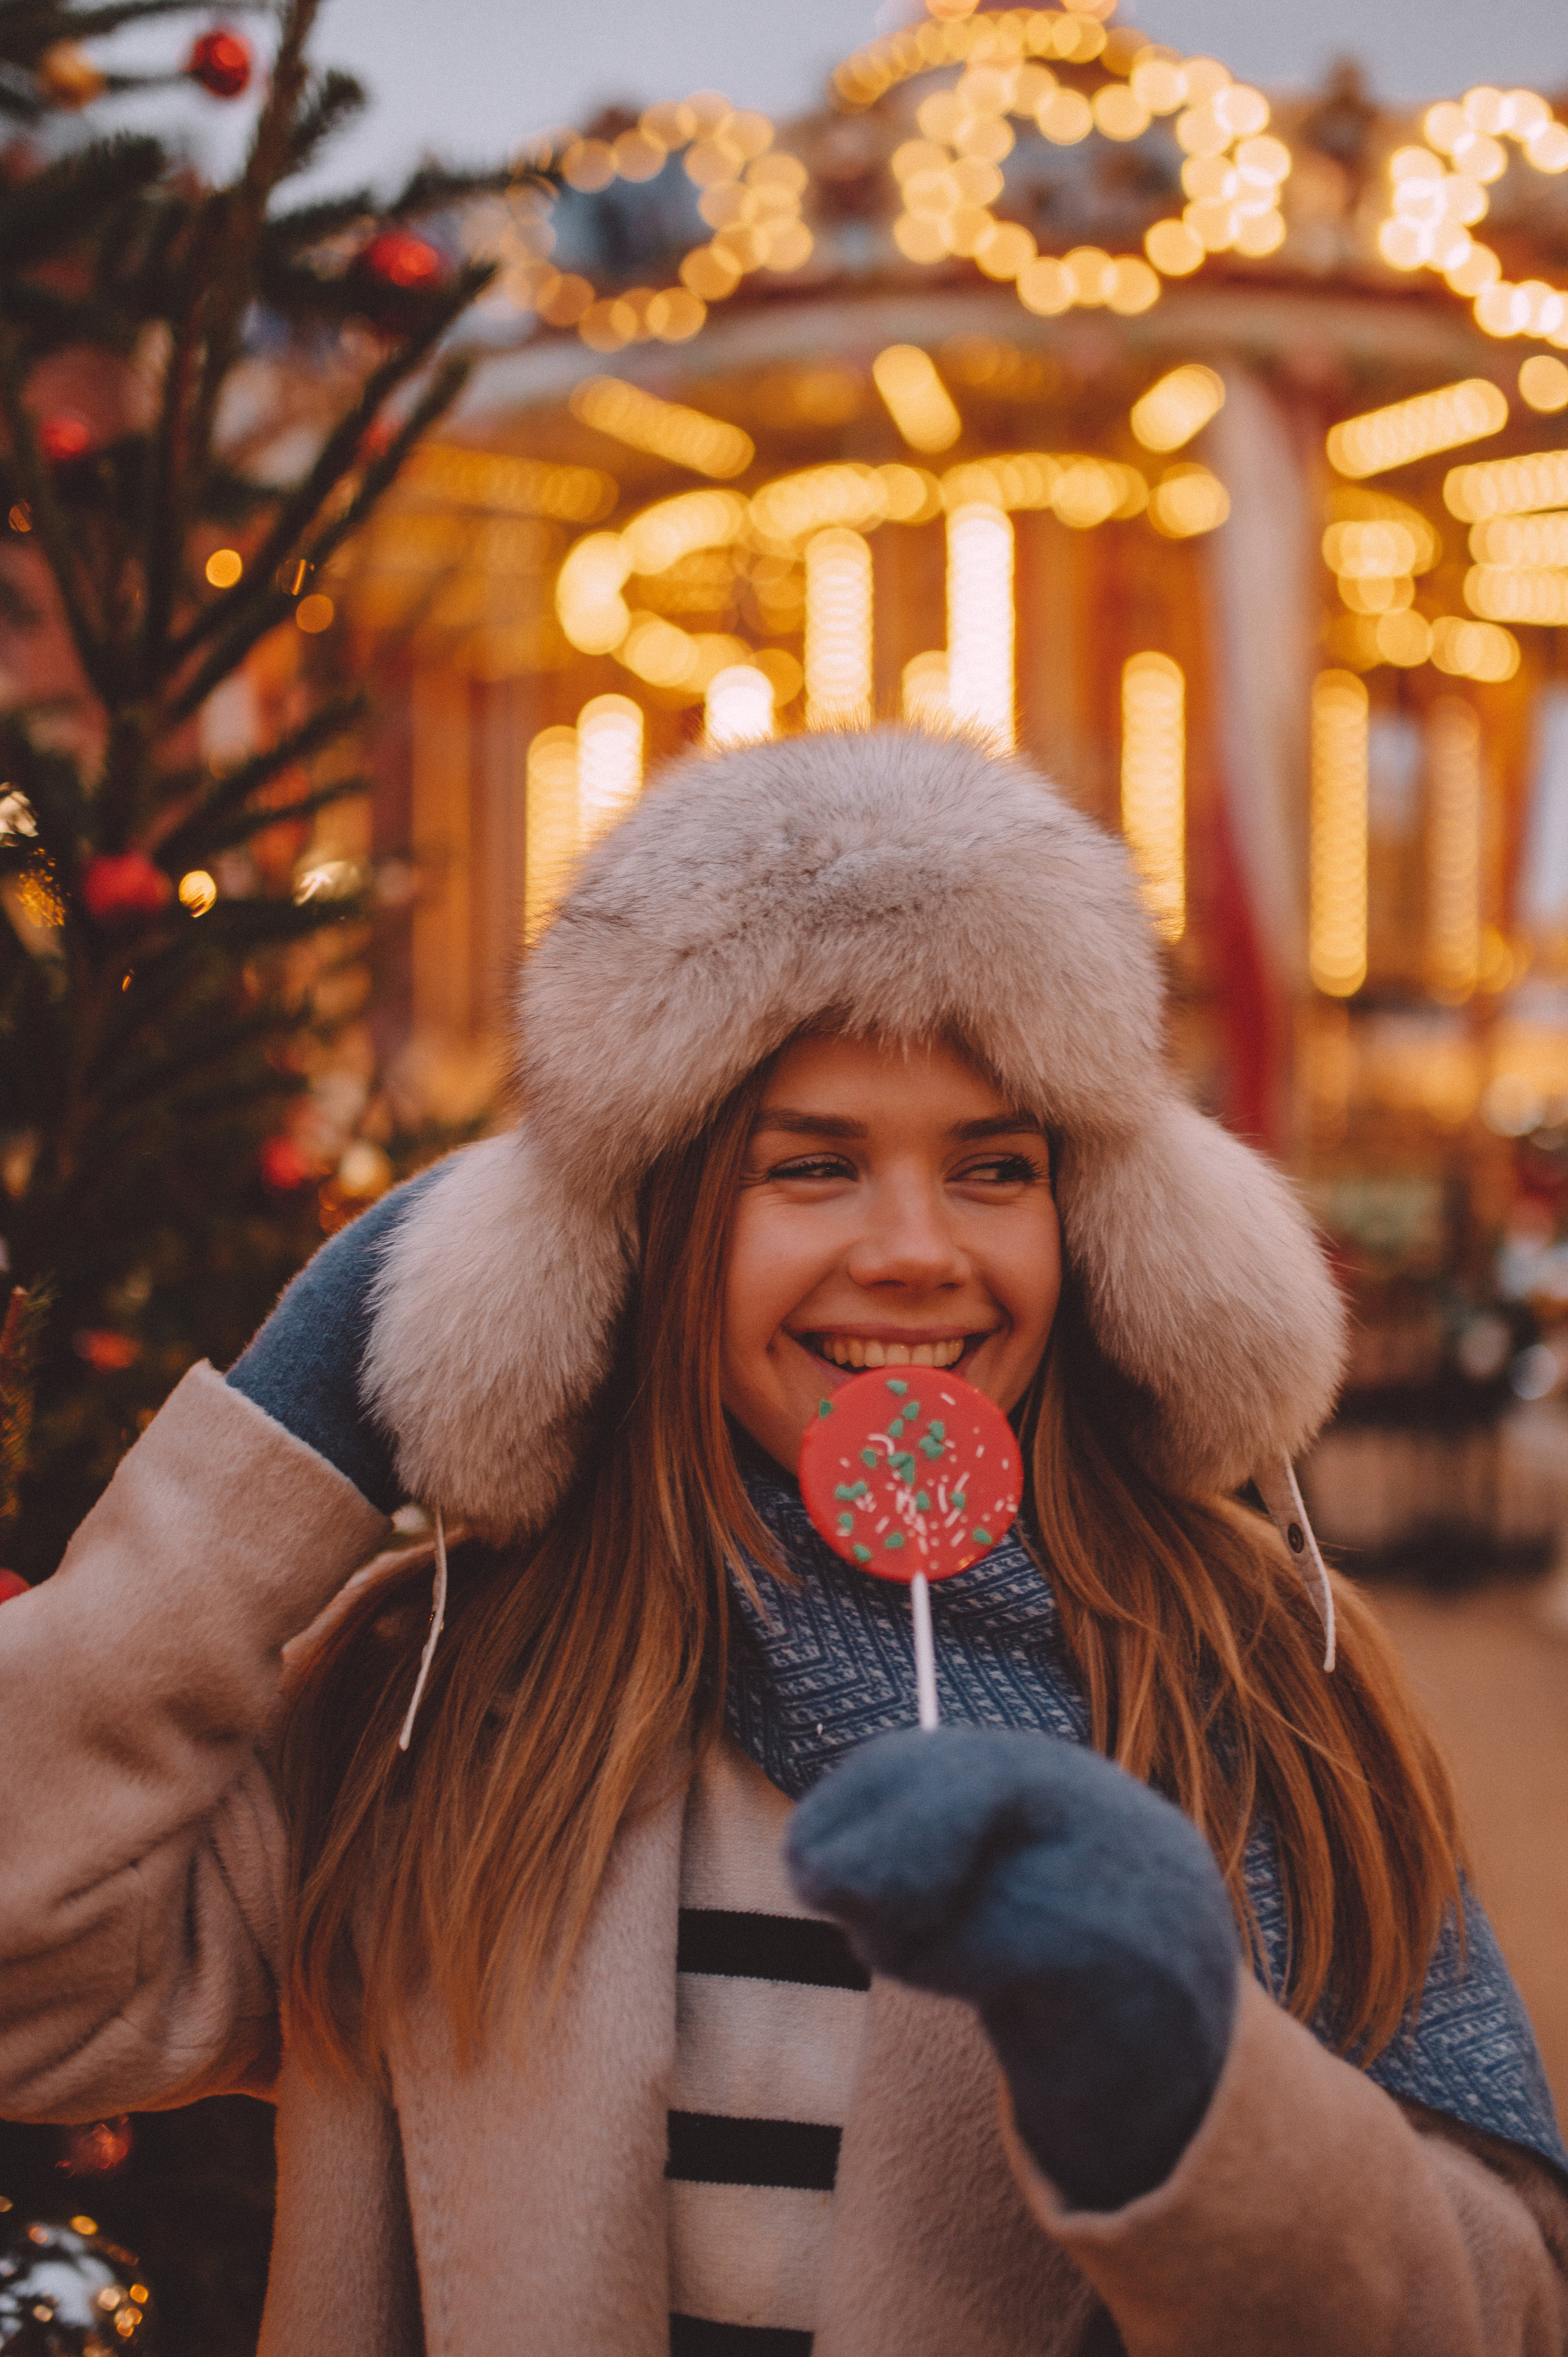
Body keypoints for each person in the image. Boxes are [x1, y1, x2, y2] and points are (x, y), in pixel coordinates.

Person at [1, 725, 1565, 2357]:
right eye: (812, 1167)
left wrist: (1200, 2096)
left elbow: (1504, 2309)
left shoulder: (1265, 1681)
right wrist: (310, 1412)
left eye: (994, 1169)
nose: (914, 1252)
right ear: (659, 1231)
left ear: (1100, 1227)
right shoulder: (444, 1696)